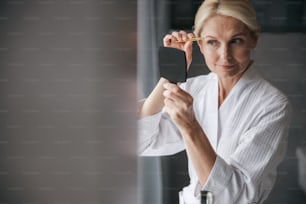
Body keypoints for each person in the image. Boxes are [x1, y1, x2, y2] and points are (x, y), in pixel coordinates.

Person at [138, 0, 291, 203]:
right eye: (212, 42)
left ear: (254, 38)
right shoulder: (195, 90)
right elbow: (140, 142)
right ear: (199, 44)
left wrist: (191, 127)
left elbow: (234, 197)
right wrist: (169, 76)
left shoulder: (273, 105)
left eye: (235, 41)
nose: (224, 55)